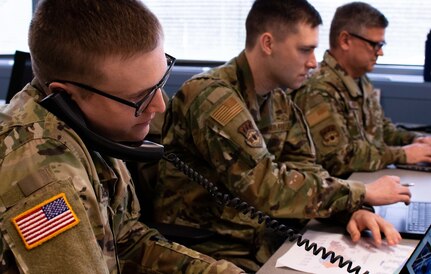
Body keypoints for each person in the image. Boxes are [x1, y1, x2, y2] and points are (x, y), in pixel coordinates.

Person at [154, 0, 411, 271]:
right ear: (268, 44)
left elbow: (307, 169)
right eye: (304, 50)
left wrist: (353, 211)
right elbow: (267, 187)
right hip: (215, 248)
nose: (313, 62)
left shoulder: (278, 98)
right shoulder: (213, 98)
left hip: (265, 235)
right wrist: (363, 193)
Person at [0, 0, 245, 273]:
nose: (159, 106)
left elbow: (124, 240)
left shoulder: (90, 126)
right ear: (68, 96)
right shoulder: (40, 175)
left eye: (159, 83)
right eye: (139, 97)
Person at [292, 1, 431, 179]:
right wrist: (403, 154)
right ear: (345, 41)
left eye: (381, 45)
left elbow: (382, 130)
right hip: (336, 193)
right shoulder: (318, 89)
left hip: (362, 183)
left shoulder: (359, 79)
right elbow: (340, 158)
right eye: (375, 45)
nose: (380, 53)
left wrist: (414, 140)